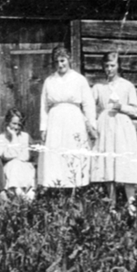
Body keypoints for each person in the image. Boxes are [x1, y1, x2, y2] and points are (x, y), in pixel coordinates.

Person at [90, 52, 137, 215]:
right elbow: (89, 108)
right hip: (105, 126)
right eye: (106, 66)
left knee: (126, 162)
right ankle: (111, 205)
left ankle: (131, 204)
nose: (109, 69)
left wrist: (122, 107)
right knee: (108, 164)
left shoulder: (127, 86)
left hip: (122, 127)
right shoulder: (99, 88)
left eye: (112, 65)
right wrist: (91, 125)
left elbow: (136, 110)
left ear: (118, 66)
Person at [37, 46, 97, 190]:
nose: (60, 65)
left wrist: (92, 125)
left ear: (69, 59)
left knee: (73, 152)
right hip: (55, 121)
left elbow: (88, 104)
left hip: (74, 119)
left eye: (62, 60)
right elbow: (44, 106)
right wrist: (43, 127)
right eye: (57, 62)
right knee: (55, 154)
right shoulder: (49, 81)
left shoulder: (79, 79)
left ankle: (75, 189)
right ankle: (56, 188)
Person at [0, 108, 36, 200]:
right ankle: (18, 192)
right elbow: (8, 156)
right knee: (14, 163)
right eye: (14, 123)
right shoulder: (1, 138)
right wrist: (13, 137)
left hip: (24, 168)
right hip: (9, 169)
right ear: (7, 123)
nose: (16, 127)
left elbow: (25, 157)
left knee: (21, 164)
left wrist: (15, 139)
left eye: (19, 125)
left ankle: (27, 194)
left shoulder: (25, 136)